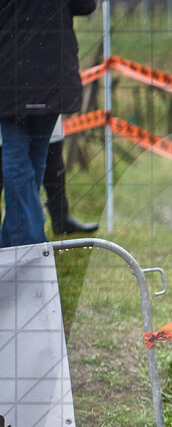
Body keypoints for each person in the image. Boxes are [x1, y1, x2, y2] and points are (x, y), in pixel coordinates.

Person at [0, 0, 97, 248]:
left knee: (18, 156)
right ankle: (28, 239)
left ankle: (18, 239)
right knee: (33, 158)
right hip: (51, 68)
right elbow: (85, 5)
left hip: (11, 67)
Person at [0, 116, 100, 236]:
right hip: (11, 110)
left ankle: (61, 219)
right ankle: (18, 235)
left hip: (44, 107)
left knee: (53, 158)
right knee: (15, 161)